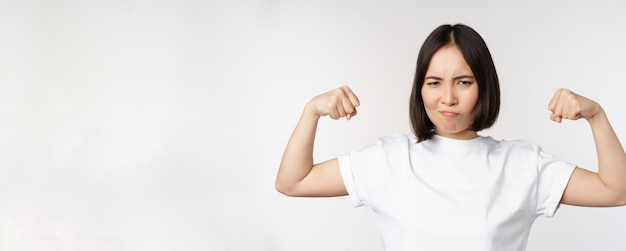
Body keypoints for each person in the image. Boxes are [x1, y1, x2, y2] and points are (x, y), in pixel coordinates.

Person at [275, 23, 626, 250]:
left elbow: (617, 191)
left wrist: (597, 117)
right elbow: (294, 181)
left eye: (463, 82)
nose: (448, 98)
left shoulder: (521, 164)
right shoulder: (389, 159)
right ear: (420, 89)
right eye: (434, 82)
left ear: (483, 86)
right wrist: (311, 112)